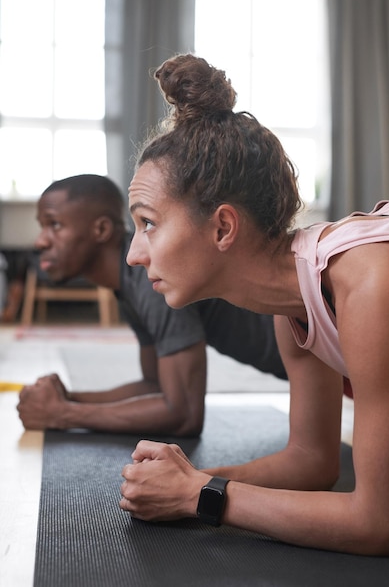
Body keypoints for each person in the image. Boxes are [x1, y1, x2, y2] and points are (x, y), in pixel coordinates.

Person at [119, 53, 389, 557]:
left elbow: (380, 525)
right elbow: (312, 461)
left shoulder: (369, 283)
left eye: (148, 222)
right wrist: (187, 481)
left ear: (222, 227)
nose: (133, 253)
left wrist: (200, 495)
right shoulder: (295, 300)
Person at [17, 174, 287, 436]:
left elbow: (184, 414)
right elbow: (154, 385)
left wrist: (63, 414)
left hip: (325, 363)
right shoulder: (128, 285)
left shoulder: (153, 278)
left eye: (54, 225)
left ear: (101, 230)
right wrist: (68, 398)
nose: (41, 241)